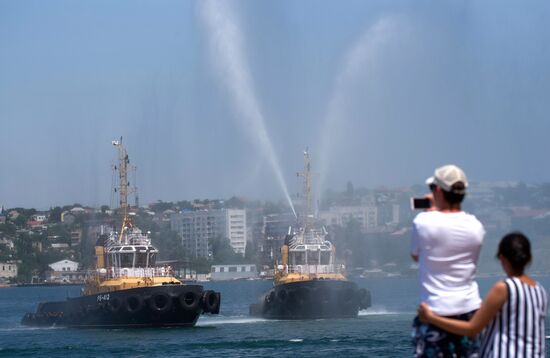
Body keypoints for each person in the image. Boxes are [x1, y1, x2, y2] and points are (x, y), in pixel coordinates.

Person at [418, 232, 547, 357]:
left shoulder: (504, 288)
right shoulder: (540, 290)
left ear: (502, 258)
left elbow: (472, 328)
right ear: (529, 258)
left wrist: (431, 317)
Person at [411, 164, 486, 357]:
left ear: (437, 191)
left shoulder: (423, 222)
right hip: (470, 312)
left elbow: (415, 255)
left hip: (435, 312)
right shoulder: (476, 226)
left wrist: (431, 212)